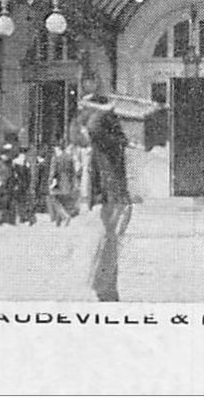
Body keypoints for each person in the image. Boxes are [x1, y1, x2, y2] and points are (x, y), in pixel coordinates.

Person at [76, 77, 129, 302]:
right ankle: (104, 287)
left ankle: (106, 286)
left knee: (111, 237)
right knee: (110, 237)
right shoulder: (101, 125)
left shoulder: (101, 128)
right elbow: (95, 127)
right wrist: (105, 111)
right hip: (112, 191)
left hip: (111, 190)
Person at [48, 144, 78, 225]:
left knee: (53, 198)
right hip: (68, 183)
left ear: (58, 148)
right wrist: (74, 184)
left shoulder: (56, 159)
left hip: (59, 183)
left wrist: (50, 182)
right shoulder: (69, 157)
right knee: (61, 200)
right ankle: (59, 222)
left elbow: (52, 172)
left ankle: (65, 216)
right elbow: (73, 172)